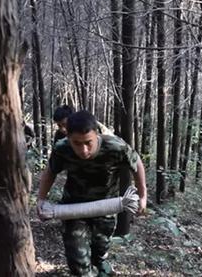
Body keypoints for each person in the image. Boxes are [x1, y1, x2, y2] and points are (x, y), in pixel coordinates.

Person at [37, 110, 147, 277]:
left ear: (97, 134)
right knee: (78, 261)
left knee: (99, 253)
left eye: (88, 142)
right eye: (77, 143)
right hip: (73, 208)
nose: (84, 150)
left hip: (105, 208)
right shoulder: (63, 149)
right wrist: (41, 199)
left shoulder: (115, 147)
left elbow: (137, 163)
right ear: (68, 137)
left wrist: (143, 195)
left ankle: (101, 267)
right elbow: (50, 171)